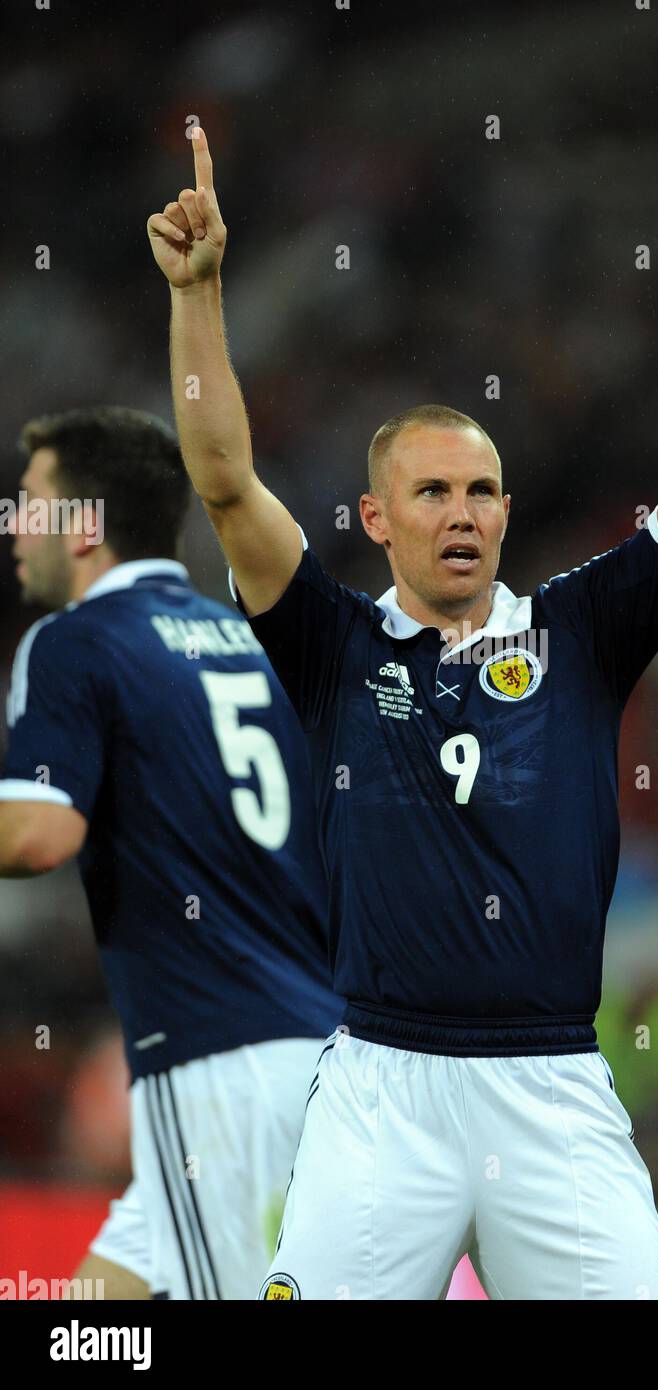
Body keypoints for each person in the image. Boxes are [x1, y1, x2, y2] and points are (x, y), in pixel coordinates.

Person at [148, 127, 658, 1299]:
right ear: (377, 516)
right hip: (380, 1094)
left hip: (549, 1089)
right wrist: (197, 295)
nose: (463, 512)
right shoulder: (330, 645)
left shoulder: (583, 628)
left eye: (483, 490)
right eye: (433, 491)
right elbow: (221, 477)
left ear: (506, 512)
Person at [0, 406, 344, 1299]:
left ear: (83, 527)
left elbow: (38, 834)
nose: (13, 523)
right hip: (316, 1050)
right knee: (89, 1324)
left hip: (216, 1064)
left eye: (30, 502)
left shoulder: (75, 642)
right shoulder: (255, 646)